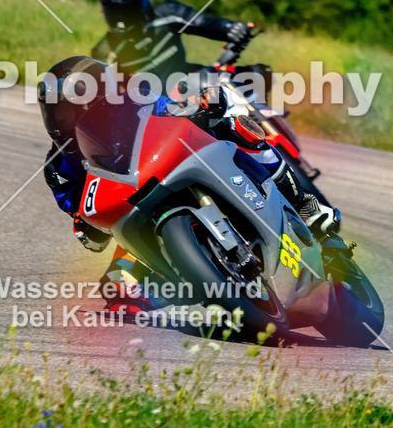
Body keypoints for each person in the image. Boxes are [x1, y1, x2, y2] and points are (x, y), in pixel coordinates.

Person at [39, 56, 339, 313]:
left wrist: (198, 104)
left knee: (234, 126)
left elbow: (173, 108)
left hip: (178, 162)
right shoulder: (58, 169)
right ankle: (200, 282)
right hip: (140, 210)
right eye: (61, 112)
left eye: (76, 107)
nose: (71, 118)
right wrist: (85, 224)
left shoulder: (135, 99)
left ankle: (304, 204)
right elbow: (85, 220)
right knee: (116, 288)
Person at [91, 0, 252, 80]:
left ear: (142, 6)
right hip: (152, 114)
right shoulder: (104, 52)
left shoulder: (168, 13)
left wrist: (231, 28)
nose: (121, 21)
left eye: (126, 12)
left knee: (254, 77)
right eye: (114, 13)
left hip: (192, 81)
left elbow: (205, 24)